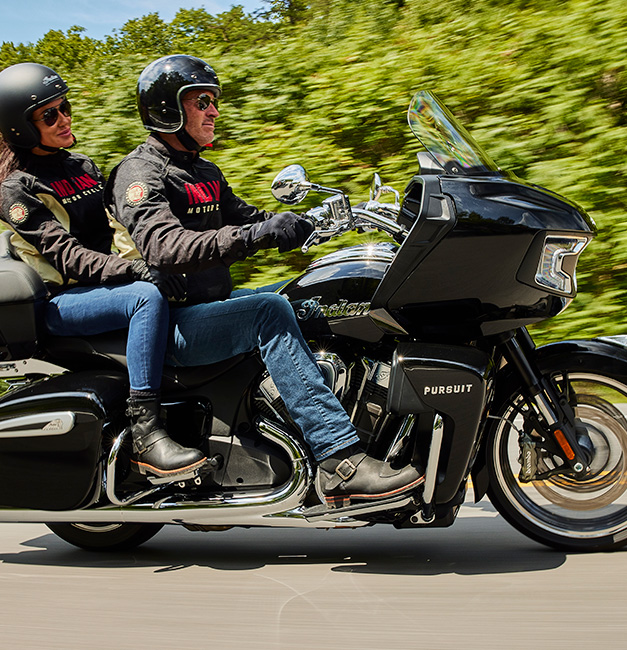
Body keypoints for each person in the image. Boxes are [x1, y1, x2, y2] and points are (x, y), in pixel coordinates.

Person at [109, 54, 423, 509]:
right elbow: (164, 246)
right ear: (167, 109)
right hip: (171, 325)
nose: (215, 111)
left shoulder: (203, 171)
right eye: (202, 101)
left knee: (312, 295)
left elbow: (248, 218)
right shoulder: (140, 173)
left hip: (210, 305)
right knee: (268, 311)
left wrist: (310, 221)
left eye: (214, 101)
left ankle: (337, 421)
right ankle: (339, 460)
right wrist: (257, 235)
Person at [0, 62, 209, 482]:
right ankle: (146, 434)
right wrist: (136, 272)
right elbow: (68, 257)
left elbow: (120, 229)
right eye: (50, 115)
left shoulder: (82, 167)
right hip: (62, 300)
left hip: (107, 286)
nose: (64, 119)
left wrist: (164, 262)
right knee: (145, 297)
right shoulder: (17, 189)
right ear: (20, 127)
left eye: (65, 107)